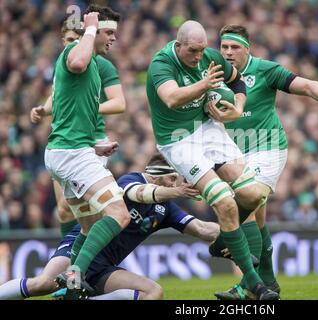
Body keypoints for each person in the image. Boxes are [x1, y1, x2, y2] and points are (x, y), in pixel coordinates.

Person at [212, 24, 318, 300]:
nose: (227, 52)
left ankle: (246, 281)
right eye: (224, 47)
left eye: (234, 47)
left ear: (247, 49)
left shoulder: (265, 70)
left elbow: (307, 84)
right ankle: (269, 283)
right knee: (257, 221)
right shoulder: (213, 75)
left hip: (268, 148)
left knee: (246, 199)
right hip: (234, 155)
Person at [146, 20, 278, 300]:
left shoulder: (209, 56)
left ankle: (222, 241)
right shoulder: (162, 63)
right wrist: (204, 84)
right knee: (225, 202)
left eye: (202, 50)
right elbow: (171, 98)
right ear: (178, 45)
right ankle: (255, 285)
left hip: (207, 128)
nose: (198, 57)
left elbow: (237, 79)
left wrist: (237, 108)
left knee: (253, 195)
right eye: (192, 51)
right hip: (178, 139)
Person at [0, 154, 218, 300]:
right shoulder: (130, 179)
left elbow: (202, 229)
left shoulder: (166, 208)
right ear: (156, 174)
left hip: (103, 265)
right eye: (172, 179)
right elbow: (137, 194)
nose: (175, 185)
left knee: (153, 292)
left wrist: (235, 230)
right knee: (45, 284)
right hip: (80, 246)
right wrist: (176, 192)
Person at [44, 4, 129, 295]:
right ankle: (74, 277)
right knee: (119, 214)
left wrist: (95, 145)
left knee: (88, 226)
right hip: (71, 155)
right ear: (91, 31)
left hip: (72, 150)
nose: (113, 38)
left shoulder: (94, 67)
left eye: (115, 33)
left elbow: (72, 116)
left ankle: (70, 287)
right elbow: (77, 62)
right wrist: (90, 29)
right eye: (108, 32)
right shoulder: (75, 55)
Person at [30, 18, 126, 239]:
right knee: (66, 212)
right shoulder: (66, 59)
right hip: (70, 145)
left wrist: (86, 109)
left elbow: (119, 103)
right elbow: (58, 97)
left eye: (77, 39)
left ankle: (83, 265)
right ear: (63, 41)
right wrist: (43, 110)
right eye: (69, 40)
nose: (73, 44)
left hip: (88, 142)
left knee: (101, 213)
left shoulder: (100, 63)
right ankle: (71, 264)